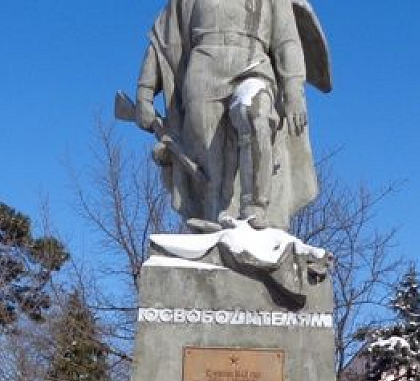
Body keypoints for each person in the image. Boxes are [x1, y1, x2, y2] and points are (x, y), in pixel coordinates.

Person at [134, 0, 330, 231]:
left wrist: (294, 91)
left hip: (254, 64)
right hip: (203, 68)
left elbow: (287, 41)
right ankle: (215, 221)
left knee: (255, 113)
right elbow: (163, 42)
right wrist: (144, 93)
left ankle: (255, 209)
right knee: (208, 162)